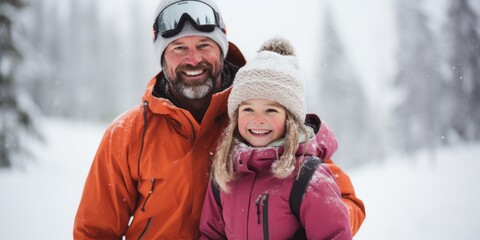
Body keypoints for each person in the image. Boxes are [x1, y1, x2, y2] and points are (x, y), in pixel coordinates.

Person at [73, 0, 365, 239]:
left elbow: (346, 203)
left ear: (222, 48)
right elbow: (94, 232)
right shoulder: (128, 135)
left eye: (204, 45)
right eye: (178, 48)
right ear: (162, 57)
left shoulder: (258, 115)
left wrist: (306, 232)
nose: (192, 59)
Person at [199, 38, 351, 239]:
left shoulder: (308, 178)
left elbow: (334, 234)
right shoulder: (225, 172)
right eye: (248, 109)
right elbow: (211, 234)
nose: (258, 119)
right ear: (235, 117)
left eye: (271, 110)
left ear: (290, 119)